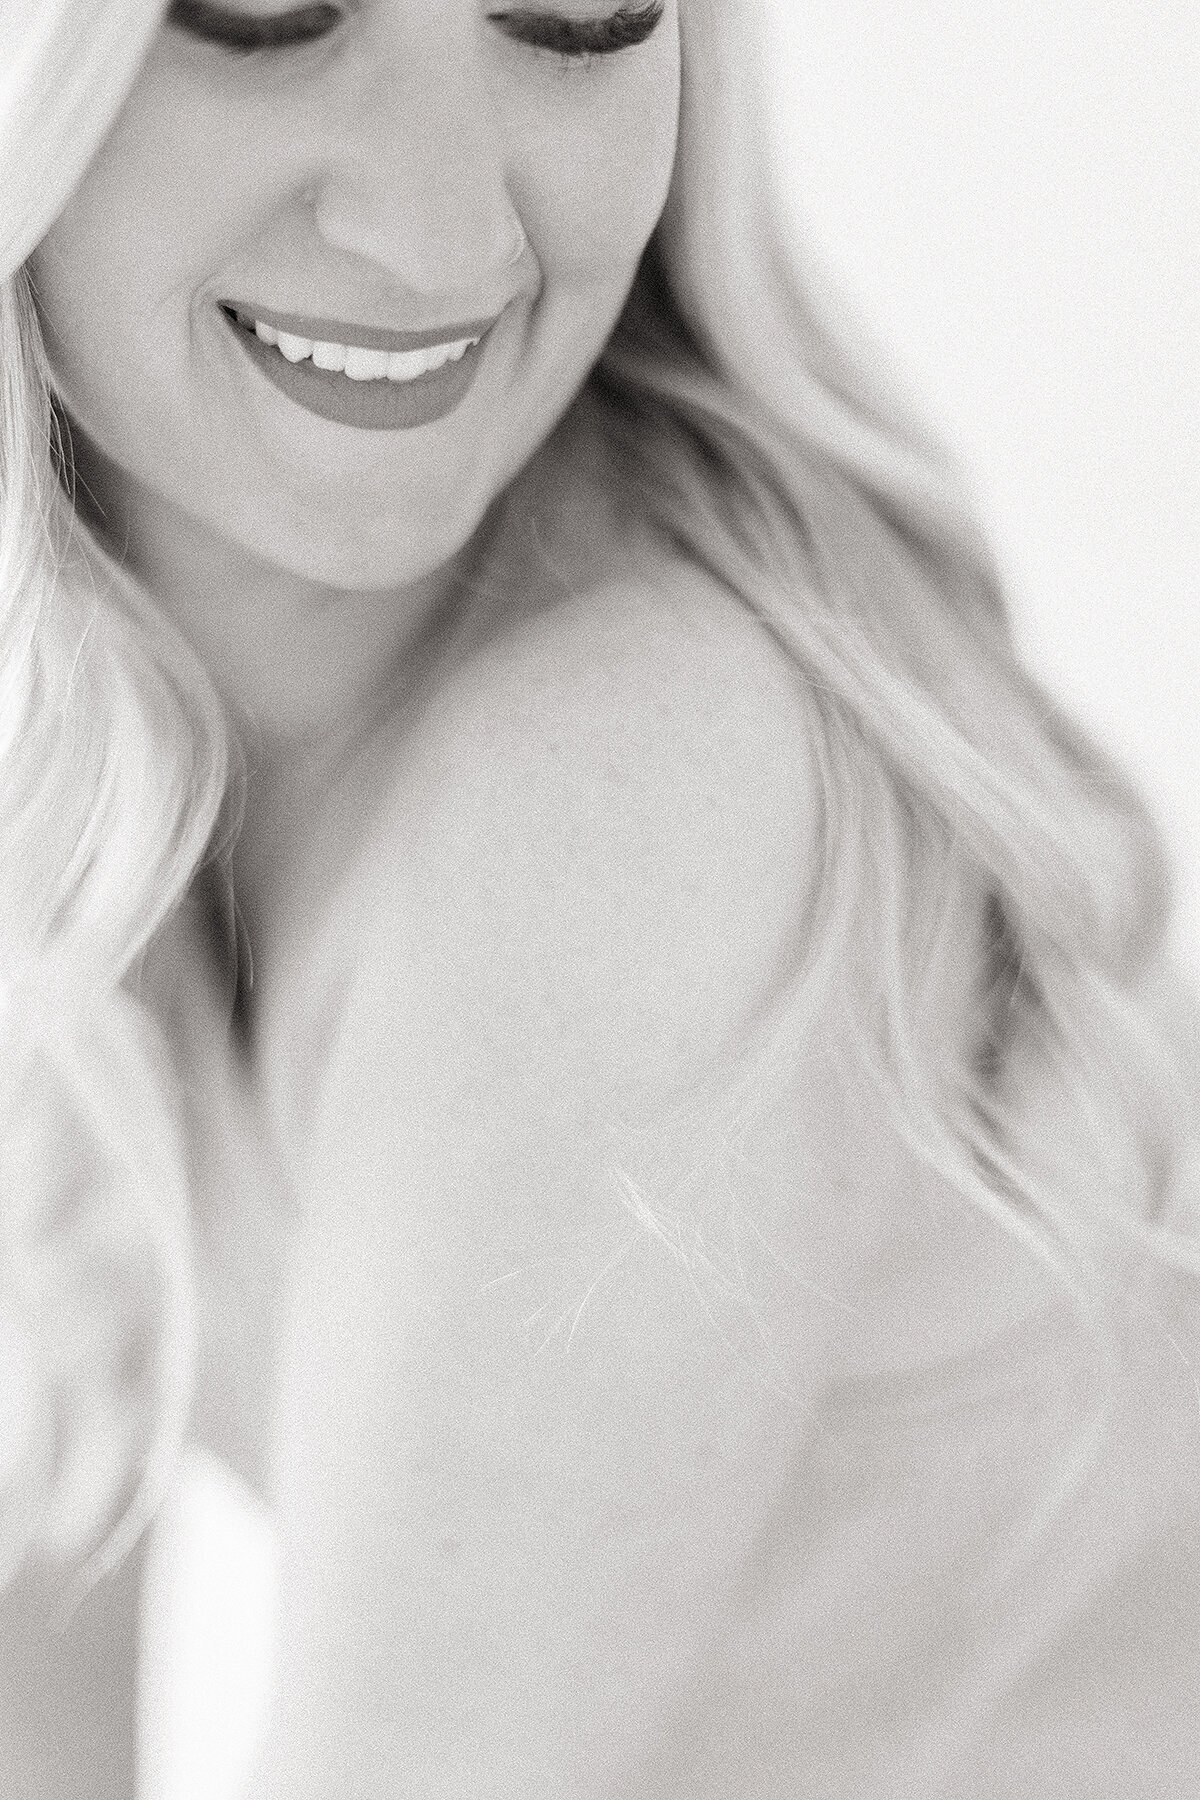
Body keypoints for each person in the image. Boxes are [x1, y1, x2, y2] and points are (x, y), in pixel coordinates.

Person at [1, 1, 1198, 1794]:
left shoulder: (625, 796)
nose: (447, 233)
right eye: (261, 8)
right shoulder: (76, 725)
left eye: (577, 5)